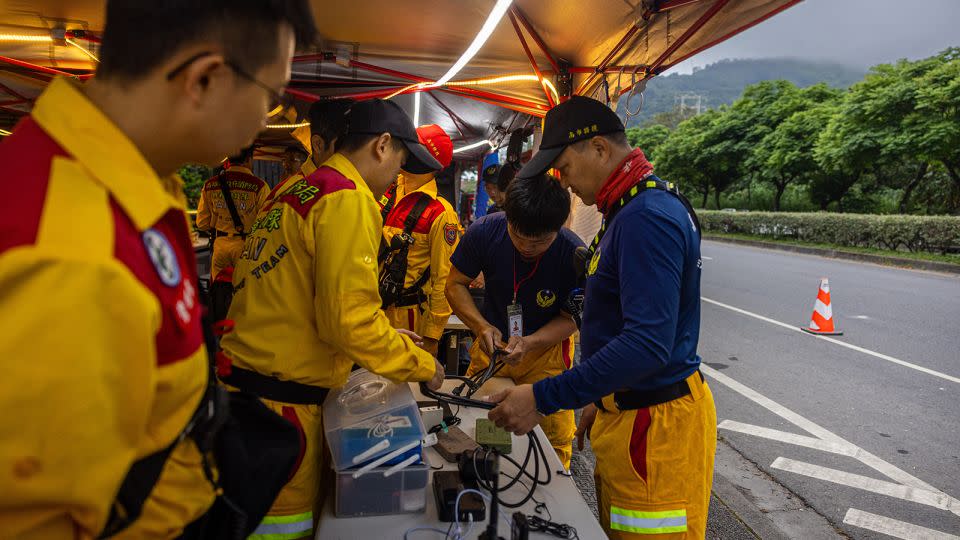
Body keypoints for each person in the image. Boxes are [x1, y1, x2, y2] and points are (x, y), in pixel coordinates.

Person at [0, 1, 315, 538]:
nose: (266, 120)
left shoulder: (133, 187)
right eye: (270, 96)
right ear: (206, 79)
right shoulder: (70, 254)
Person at [486, 96, 715, 539]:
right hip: (631, 413)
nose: (564, 182)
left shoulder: (646, 218)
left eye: (565, 167)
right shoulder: (629, 210)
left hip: (654, 428)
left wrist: (544, 397)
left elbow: (647, 344)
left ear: (598, 148)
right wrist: (597, 395)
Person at [218, 99, 445, 540]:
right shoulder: (348, 197)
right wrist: (424, 367)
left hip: (248, 395)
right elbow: (348, 322)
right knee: (283, 529)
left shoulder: (295, 189)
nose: (396, 179)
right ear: (382, 145)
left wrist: (382, 333)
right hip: (280, 411)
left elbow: (298, 298)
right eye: (399, 165)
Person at [446, 173, 583, 468]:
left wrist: (532, 342)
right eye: (518, 236)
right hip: (491, 349)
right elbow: (454, 284)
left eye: (540, 242)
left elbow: (571, 318)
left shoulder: (573, 253)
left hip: (545, 357)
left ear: (558, 229)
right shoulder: (483, 232)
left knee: (551, 442)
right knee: (476, 426)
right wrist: (480, 326)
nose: (527, 248)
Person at [379, 124, 461, 357]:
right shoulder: (386, 191)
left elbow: (444, 278)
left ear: (428, 160)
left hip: (409, 317)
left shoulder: (440, 213)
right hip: (371, 311)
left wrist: (432, 336)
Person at [196, 144, 269, 283]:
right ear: (249, 159)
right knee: (244, 290)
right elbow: (265, 226)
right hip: (246, 247)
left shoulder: (210, 185)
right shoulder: (260, 186)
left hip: (220, 246)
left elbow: (202, 224)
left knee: (219, 288)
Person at [265, 98, 353, 202]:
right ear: (318, 145)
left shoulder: (356, 185)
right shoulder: (285, 195)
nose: (357, 156)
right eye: (348, 147)